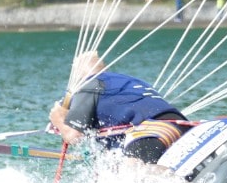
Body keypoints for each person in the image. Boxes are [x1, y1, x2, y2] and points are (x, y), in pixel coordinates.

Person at [48, 51, 189, 164]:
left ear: (77, 75)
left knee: (130, 172)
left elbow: (74, 136)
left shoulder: (88, 85)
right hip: (182, 126)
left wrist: (59, 119)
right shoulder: (130, 82)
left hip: (153, 130)